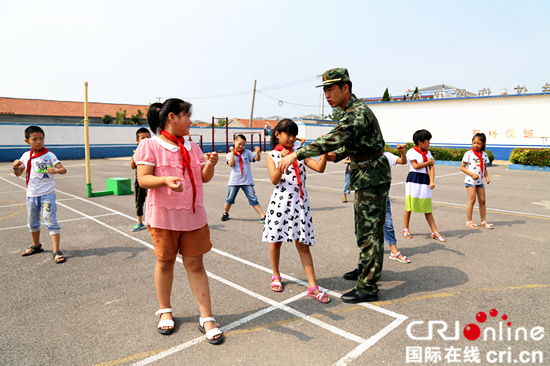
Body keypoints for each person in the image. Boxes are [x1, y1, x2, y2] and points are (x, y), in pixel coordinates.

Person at [278, 68, 391, 303]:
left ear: (345, 88)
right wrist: (335, 155)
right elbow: (351, 143)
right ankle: (365, 268)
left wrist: (297, 154)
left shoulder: (356, 113)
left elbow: (334, 137)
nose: (327, 95)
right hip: (366, 173)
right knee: (363, 227)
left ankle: (368, 286)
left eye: (330, 89)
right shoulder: (350, 112)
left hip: (372, 174)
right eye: (325, 90)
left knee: (370, 230)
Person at [134, 98, 224, 344]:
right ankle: (165, 310)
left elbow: (203, 178)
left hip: (193, 217)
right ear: (172, 117)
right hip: (163, 217)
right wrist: (165, 181)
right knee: (165, 264)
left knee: (196, 266)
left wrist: (211, 165)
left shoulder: (192, 147)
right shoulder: (149, 145)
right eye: (187, 116)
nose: (191, 121)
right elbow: (143, 179)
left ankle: (206, 317)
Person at [263, 119, 330, 304]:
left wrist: (323, 152)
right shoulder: (272, 155)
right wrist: (283, 162)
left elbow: (320, 168)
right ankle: (275, 275)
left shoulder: (299, 154)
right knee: (276, 241)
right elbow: (274, 180)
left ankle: (313, 286)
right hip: (281, 204)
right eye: (288, 134)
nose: (292, 138)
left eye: (294, 135)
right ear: (277, 134)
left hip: (300, 205)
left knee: (303, 244)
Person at [13, 125, 67, 263]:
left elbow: (63, 170)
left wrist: (55, 170)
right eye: (35, 139)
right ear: (27, 141)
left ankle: (56, 251)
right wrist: (15, 167)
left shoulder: (49, 155)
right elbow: (19, 174)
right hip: (31, 195)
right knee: (32, 222)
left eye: (41, 138)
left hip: (47, 194)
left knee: (50, 220)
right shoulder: (26, 156)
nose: (39, 142)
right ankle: (36, 246)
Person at [402, 129, 446, 242]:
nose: (429, 143)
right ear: (420, 141)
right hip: (413, 179)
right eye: (428, 140)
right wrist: (428, 162)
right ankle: (406, 229)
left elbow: (432, 167)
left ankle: (434, 231)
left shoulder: (428, 152)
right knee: (409, 206)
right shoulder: (412, 152)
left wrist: (431, 181)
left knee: (427, 207)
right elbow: (416, 166)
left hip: (425, 180)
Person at [222, 134, 265, 223]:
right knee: (230, 198)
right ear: (234, 142)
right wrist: (233, 152)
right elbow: (231, 164)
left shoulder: (247, 152)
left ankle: (263, 216)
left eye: (243, 144)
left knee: (253, 198)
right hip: (235, 181)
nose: (241, 146)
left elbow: (257, 159)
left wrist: (258, 153)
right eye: (239, 144)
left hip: (247, 181)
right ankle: (226, 213)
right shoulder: (229, 154)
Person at [383, 145, 411, 264]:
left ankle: (394, 251)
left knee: (388, 224)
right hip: (367, 198)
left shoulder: (387, 156)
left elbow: (403, 161)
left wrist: (402, 152)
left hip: (384, 197)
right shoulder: (366, 156)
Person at [460, 133, 493, 229]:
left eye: (478, 143)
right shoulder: (468, 154)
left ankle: (483, 221)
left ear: (483, 143)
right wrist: (472, 174)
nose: (476, 145)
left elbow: (484, 168)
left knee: (482, 200)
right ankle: (469, 221)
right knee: (472, 200)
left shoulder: (485, 155)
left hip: (480, 181)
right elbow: (462, 167)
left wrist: (486, 177)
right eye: (474, 143)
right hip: (471, 181)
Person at [130, 127, 151, 232]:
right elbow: (132, 166)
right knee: (139, 202)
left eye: (148, 137)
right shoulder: (136, 151)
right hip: (139, 182)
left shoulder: (153, 150)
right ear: (137, 140)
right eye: (143, 138)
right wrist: (136, 154)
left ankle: (155, 222)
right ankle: (139, 222)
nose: (146, 140)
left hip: (151, 181)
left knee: (154, 202)